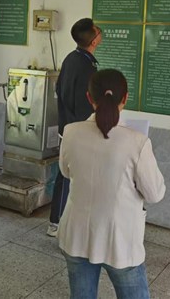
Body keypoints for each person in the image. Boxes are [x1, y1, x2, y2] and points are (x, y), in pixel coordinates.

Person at [58, 69, 165, 299]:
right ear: (125, 98)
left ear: (89, 97)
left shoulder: (71, 132)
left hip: (77, 235)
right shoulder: (138, 142)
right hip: (120, 241)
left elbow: (66, 172)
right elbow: (154, 193)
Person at [47, 18, 103, 237]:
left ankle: (57, 221)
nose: (100, 33)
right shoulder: (86, 66)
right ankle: (61, 223)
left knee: (66, 174)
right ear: (93, 40)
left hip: (68, 127)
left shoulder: (72, 58)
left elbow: (60, 90)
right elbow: (85, 101)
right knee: (74, 176)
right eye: (98, 31)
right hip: (79, 129)